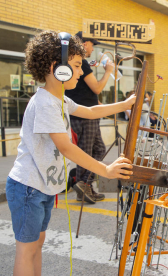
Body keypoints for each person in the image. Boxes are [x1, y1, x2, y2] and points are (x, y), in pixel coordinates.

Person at [6, 30, 135, 276]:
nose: (80, 71)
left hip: (41, 187)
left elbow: (91, 111)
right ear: (57, 67)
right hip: (27, 188)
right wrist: (105, 169)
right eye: (76, 66)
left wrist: (125, 104)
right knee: (27, 248)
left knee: (38, 243)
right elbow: (66, 147)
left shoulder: (61, 100)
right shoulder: (44, 103)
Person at [65, 31, 116, 203]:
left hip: (85, 113)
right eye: (92, 44)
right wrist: (108, 71)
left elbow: (86, 92)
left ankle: (84, 185)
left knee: (97, 149)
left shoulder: (82, 65)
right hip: (84, 116)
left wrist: (98, 104)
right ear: (84, 43)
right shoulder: (83, 64)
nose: (93, 48)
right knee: (87, 152)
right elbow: (96, 88)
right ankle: (83, 184)